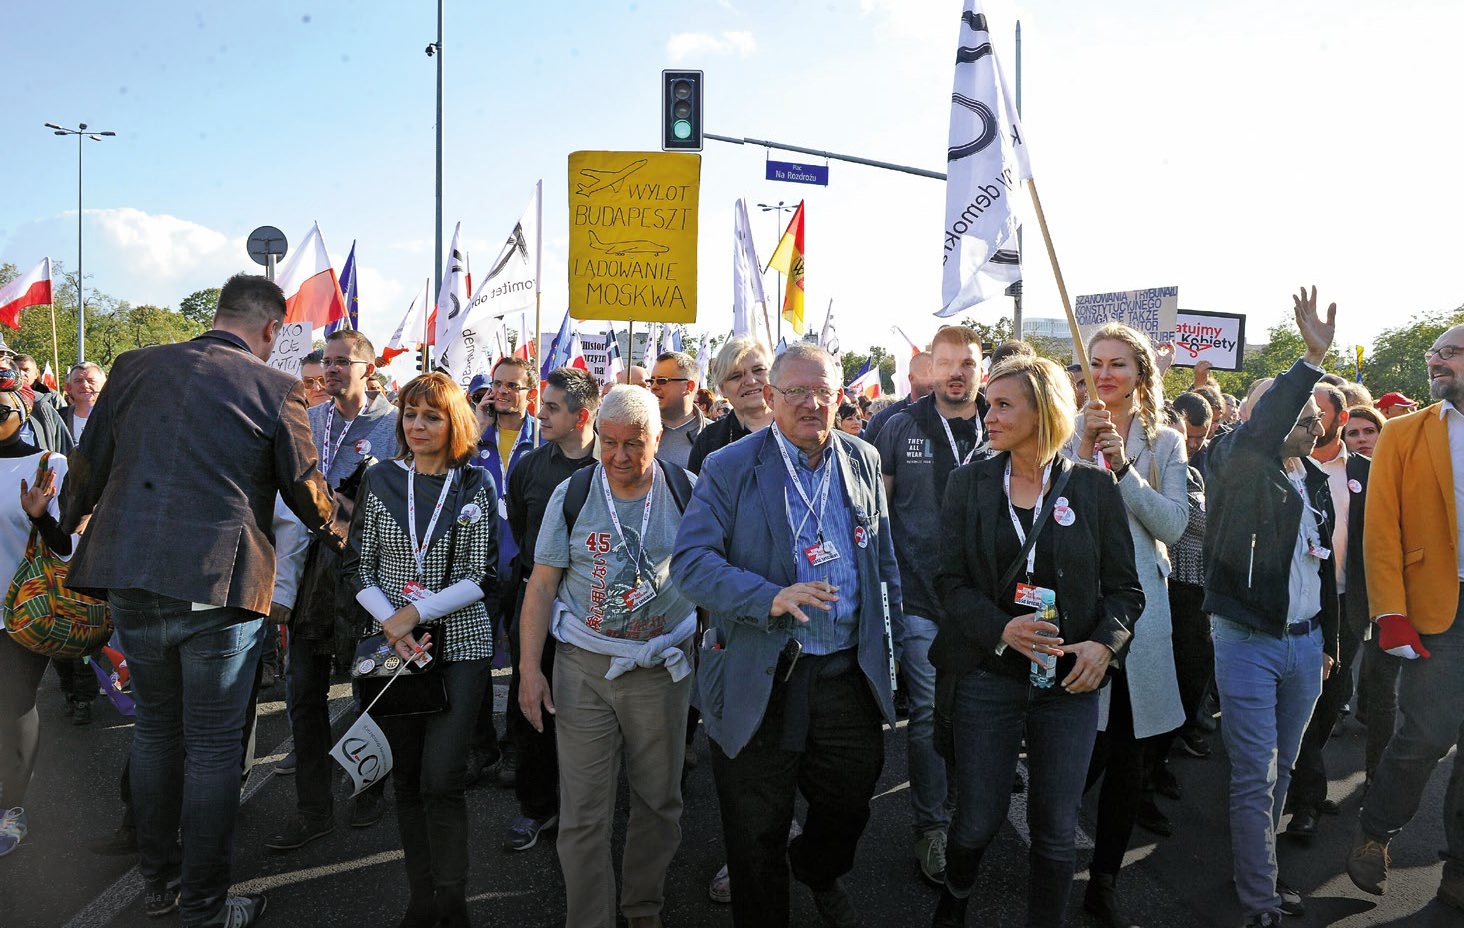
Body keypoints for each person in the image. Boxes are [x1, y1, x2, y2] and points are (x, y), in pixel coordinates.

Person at [58, 273, 342, 927]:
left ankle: (159, 883)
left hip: (131, 574)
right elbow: (307, 492)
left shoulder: (132, 366)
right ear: (272, 331)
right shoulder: (275, 386)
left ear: (218, 314)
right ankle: (205, 908)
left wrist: (66, 529)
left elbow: (88, 463)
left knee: (158, 732)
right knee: (213, 748)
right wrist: (345, 532)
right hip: (220, 584)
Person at [672, 343, 902, 928]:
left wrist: (894, 653)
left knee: (850, 803)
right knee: (754, 833)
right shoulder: (729, 466)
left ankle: (817, 868)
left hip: (845, 674)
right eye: (796, 391)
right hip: (760, 671)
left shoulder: (864, 458)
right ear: (770, 398)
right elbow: (691, 563)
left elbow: (883, 565)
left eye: (824, 390)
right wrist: (766, 597)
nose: (812, 402)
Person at [929, 353, 1141, 928]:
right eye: (987, 403)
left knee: (1055, 830)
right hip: (986, 681)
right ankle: (956, 894)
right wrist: (1000, 627)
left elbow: (1126, 591)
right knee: (976, 819)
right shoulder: (968, 484)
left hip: (1067, 686)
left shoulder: (1094, 488)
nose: (987, 414)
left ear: (1042, 410)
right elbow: (946, 580)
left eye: (1002, 404)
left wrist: (1105, 646)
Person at [519, 385, 697, 928]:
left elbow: (709, 575)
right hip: (584, 669)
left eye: (634, 444)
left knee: (658, 803)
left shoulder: (688, 490)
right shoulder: (573, 493)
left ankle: (642, 909)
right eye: (610, 443)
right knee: (583, 812)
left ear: (659, 439)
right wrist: (529, 670)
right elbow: (542, 585)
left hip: (660, 670)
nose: (619, 457)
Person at [1203, 287, 1340, 928]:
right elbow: (1263, 427)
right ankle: (1260, 902)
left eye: (1317, 413)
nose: (1313, 420)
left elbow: (1327, 568)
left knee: (1281, 770)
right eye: (1299, 410)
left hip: (1306, 644)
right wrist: (1309, 361)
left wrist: (1329, 642)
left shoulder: (1314, 479)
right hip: (1248, 640)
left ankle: (1257, 873)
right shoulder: (1236, 459)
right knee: (1254, 776)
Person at [344, 372, 497, 927]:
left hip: (459, 647)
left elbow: (481, 574)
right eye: (410, 414)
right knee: (406, 778)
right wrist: (391, 622)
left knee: (440, 777)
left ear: (452, 421)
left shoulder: (474, 483)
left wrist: (415, 613)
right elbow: (358, 566)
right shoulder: (380, 477)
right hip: (394, 650)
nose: (417, 425)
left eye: (431, 415)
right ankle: (421, 899)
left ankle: (453, 903)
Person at [1069, 324, 1188, 927]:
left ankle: (1105, 883)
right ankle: (1049, 842)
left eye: (1118, 363)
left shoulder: (1166, 441)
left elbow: (1173, 526)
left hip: (1141, 615)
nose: (1106, 374)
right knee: (1077, 747)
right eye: (1096, 363)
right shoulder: (1067, 434)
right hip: (1078, 613)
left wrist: (1123, 470)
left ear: (1141, 374)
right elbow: (1047, 508)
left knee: (1128, 758)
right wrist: (1081, 455)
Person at [265, 329, 398, 853]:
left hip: (369, 575)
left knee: (371, 692)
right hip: (308, 576)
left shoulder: (394, 424)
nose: (332, 369)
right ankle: (312, 809)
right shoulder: (309, 418)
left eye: (344, 361)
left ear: (368, 368)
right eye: (328, 361)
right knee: (303, 694)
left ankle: (370, 787)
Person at [1347, 323, 1464, 910]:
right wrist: (1388, 610)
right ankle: (1375, 833)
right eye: (1433, 353)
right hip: (1436, 609)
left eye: (1450, 352)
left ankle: (1460, 871)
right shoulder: (1403, 433)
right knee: (1426, 733)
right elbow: (1381, 531)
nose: (1436, 361)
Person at [873, 324, 986, 887]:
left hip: (988, 605)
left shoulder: (1004, 420)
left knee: (978, 715)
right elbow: (878, 512)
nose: (957, 372)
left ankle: (973, 819)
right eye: (947, 363)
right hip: (918, 596)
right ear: (930, 369)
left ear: (979, 368)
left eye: (967, 362)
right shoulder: (898, 426)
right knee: (925, 717)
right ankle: (932, 827)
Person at [500, 367, 600, 853]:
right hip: (537, 602)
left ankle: (584, 808)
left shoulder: (614, 463)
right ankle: (536, 808)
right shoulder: (529, 467)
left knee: (587, 711)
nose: (541, 414)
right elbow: (522, 528)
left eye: (553, 407)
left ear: (583, 416)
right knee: (531, 702)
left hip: (594, 608)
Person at [0, 369, 81, 857]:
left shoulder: (48, 465)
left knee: (11, 705)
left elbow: (70, 547)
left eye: (0, 410)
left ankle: (11, 806)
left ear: (25, 410)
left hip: (22, 611)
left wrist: (41, 517)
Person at [1286, 382, 1370, 839]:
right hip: (1297, 605)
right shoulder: (1285, 465)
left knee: (1331, 699)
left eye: (1320, 413)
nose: (1311, 421)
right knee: (1306, 704)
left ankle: (1301, 783)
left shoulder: (1365, 470)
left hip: (1345, 603)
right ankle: (1305, 800)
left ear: (1340, 417)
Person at [468, 356, 538, 785]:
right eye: (497, 384)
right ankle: (481, 746)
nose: (502, 392)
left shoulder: (545, 437)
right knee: (472, 659)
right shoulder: (478, 438)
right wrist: (476, 424)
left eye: (513, 385)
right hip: (481, 567)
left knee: (524, 662)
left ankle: (515, 747)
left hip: (528, 567)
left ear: (531, 392)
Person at [687, 337, 773, 475]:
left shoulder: (798, 429)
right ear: (722, 389)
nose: (750, 381)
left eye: (758, 370)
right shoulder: (709, 441)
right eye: (736, 376)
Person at [649, 350, 705, 469]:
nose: (653, 387)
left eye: (662, 380)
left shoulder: (715, 435)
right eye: (651, 381)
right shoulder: (638, 431)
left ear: (689, 386)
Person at [863, 351, 932, 445]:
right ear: (911, 378)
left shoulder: (952, 416)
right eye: (927, 374)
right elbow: (872, 458)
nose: (934, 379)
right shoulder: (882, 420)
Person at [60, 361, 106, 444]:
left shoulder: (115, 418)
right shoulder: (58, 418)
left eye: (91, 381)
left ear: (104, 386)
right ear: (69, 387)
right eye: (78, 381)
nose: (85, 385)